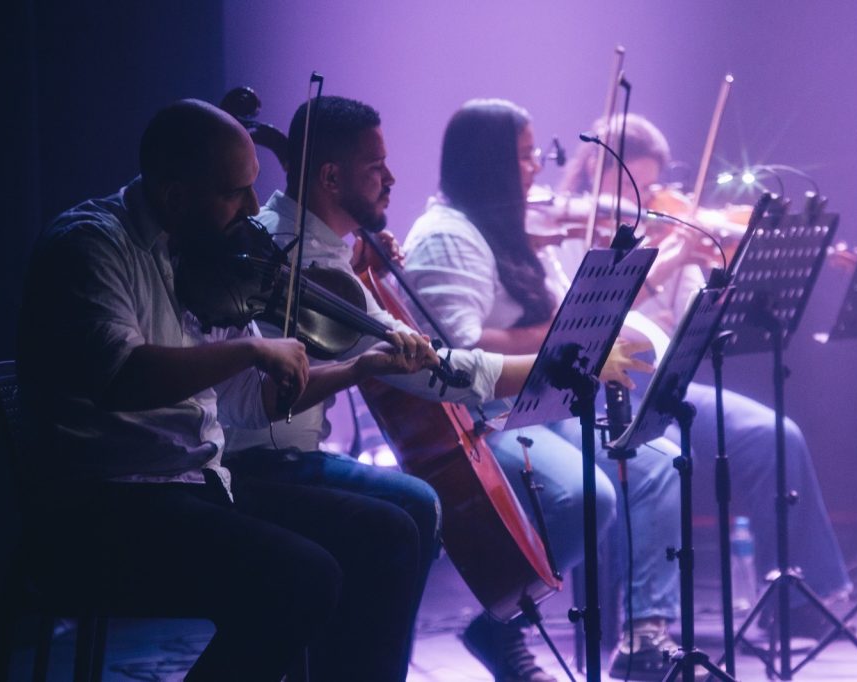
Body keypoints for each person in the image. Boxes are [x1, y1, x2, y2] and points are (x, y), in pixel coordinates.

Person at [228, 94, 651, 682]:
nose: (392, 179)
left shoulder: (326, 252)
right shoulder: (300, 259)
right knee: (411, 510)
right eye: (376, 167)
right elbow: (439, 373)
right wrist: (566, 359)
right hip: (260, 460)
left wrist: (363, 266)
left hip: (291, 451)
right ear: (329, 176)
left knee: (413, 509)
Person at [16, 99, 436, 681]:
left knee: (389, 530)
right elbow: (121, 377)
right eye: (234, 194)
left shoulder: (206, 257)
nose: (250, 211)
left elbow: (249, 401)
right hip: (106, 507)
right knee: (304, 577)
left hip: (196, 485)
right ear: (175, 196)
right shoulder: (88, 247)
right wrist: (248, 348)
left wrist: (358, 369)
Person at [403, 99, 685, 681]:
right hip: (483, 416)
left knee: (658, 460)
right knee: (587, 497)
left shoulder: (513, 227)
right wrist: (559, 334)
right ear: (489, 163)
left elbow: (564, 308)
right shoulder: (446, 236)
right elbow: (460, 347)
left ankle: (644, 642)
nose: (538, 168)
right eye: (527, 156)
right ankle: (502, 620)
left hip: (548, 402)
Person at [557, 113, 854, 645]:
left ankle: (800, 600)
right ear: (594, 173)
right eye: (632, 185)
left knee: (774, 436)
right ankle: (648, 625)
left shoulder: (667, 228)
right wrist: (667, 263)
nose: (643, 199)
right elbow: (592, 324)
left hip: (666, 381)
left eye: (650, 186)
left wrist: (708, 264)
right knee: (660, 455)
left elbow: (691, 321)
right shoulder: (565, 229)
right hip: (604, 391)